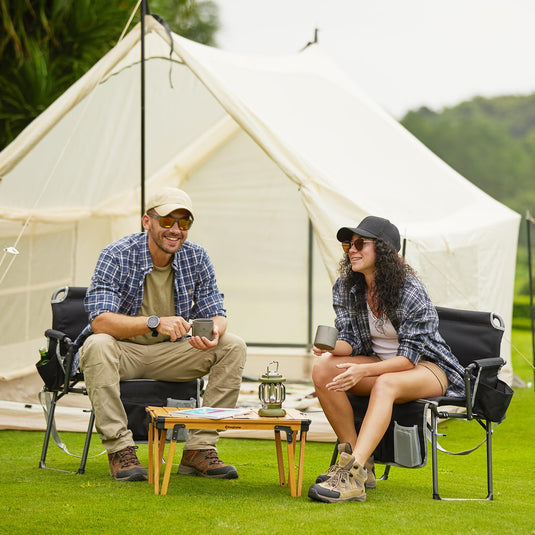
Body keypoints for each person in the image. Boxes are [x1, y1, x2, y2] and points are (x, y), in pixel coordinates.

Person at [75, 187, 247, 482]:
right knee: (97, 344)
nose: (176, 230)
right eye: (167, 221)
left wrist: (213, 332)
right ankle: (121, 450)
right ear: (147, 222)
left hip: (171, 354)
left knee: (232, 346)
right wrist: (155, 323)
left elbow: (217, 312)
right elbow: (101, 321)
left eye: (184, 223)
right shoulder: (116, 254)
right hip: (123, 352)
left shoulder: (197, 256)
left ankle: (199, 449)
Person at [307, 216, 465, 503]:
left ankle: (351, 478)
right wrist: (329, 348)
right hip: (380, 361)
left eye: (359, 244)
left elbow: (408, 358)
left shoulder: (410, 290)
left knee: (385, 384)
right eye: (348, 245)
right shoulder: (347, 287)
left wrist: (364, 373)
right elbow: (351, 341)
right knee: (323, 370)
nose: (351, 250)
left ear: (383, 250)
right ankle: (357, 465)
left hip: (428, 367)